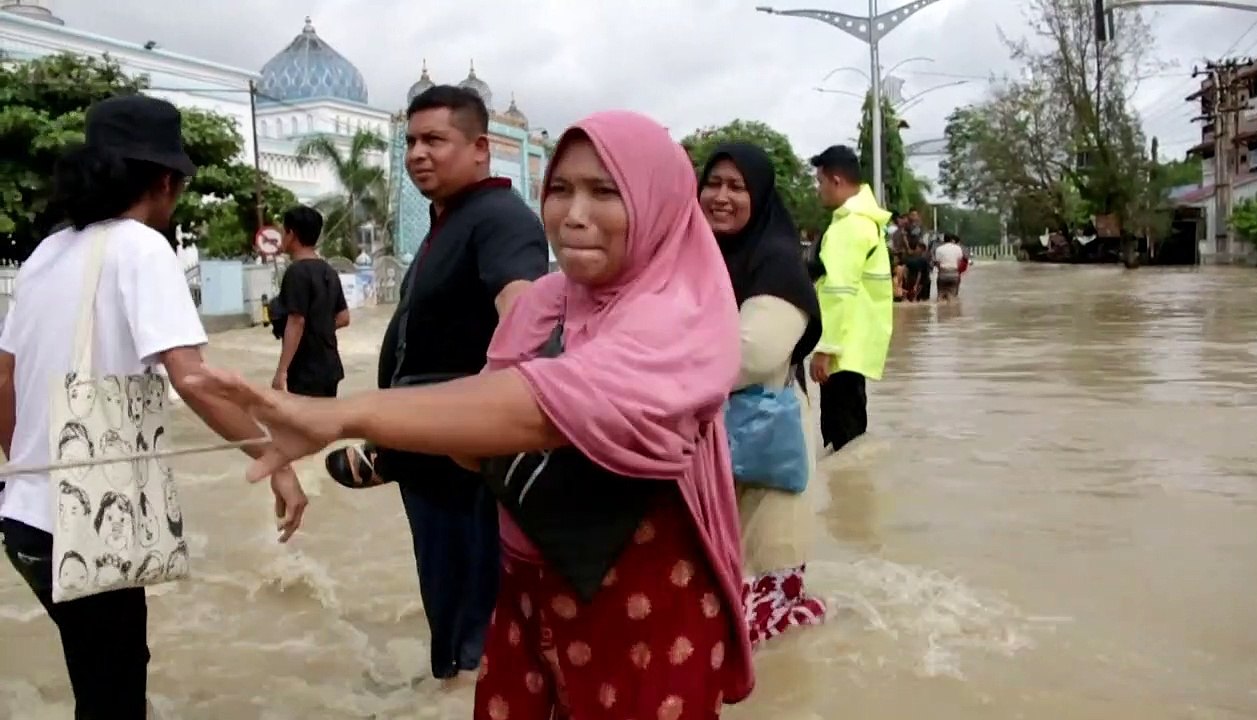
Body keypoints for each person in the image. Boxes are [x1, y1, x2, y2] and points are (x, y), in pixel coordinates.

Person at [189, 109, 753, 719]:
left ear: (658, 202)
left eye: (605, 191)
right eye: (560, 189)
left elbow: (546, 404)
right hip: (530, 584)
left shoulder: (680, 315)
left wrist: (344, 417)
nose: (574, 214)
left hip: (643, 595)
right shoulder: (548, 301)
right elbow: (485, 429)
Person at [0, 95, 307, 719]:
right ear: (166, 180)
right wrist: (273, 454)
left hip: (24, 518)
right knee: (114, 692)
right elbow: (193, 380)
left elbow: (2, 379)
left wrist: (30, 466)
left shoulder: (43, 255)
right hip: (85, 521)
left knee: (96, 678)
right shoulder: (141, 248)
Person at [323, 84, 548, 685]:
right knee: (447, 593)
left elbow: (524, 324)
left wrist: (472, 430)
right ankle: (452, 686)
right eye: (412, 141)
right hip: (428, 450)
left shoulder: (500, 219)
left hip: (463, 458)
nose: (419, 153)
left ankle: (474, 689)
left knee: (476, 606)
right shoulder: (450, 221)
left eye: (435, 140)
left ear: (480, 148)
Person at [698, 143, 827, 647]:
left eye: (737, 187)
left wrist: (653, 368)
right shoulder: (693, 254)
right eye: (713, 183)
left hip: (767, 438)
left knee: (767, 594)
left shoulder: (776, 260)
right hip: (705, 439)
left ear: (761, 196)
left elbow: (752, 351)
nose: (722, 197)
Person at [807, 145, 894, 452]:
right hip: (856, 340)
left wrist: (824, 349)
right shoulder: (866, 222)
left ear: (836, 180)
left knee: (842, 437)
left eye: (820, 182)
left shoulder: (849, 226)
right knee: (851, 432)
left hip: (842, 346)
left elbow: (837, 292)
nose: (819, 190)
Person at [271, 205, 349, 397]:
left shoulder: (296, 272)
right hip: (329, 364)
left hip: (306, 369)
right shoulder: (328, 271)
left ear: (292, 234)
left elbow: (296, 321)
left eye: (283, 231)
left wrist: (282, 371)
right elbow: (343, 317)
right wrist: (320, 328)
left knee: (306, 424)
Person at [933, 232, 966, 302]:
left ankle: (940, 309)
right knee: (952, 297)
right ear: (952, 240)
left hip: (942, 274)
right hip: (954, 274)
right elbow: (959, 262)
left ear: (943, 240)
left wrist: (941, 271)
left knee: (940, 296)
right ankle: (952, 310)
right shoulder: (958, 248)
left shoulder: (939, 249)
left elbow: (937, 263)